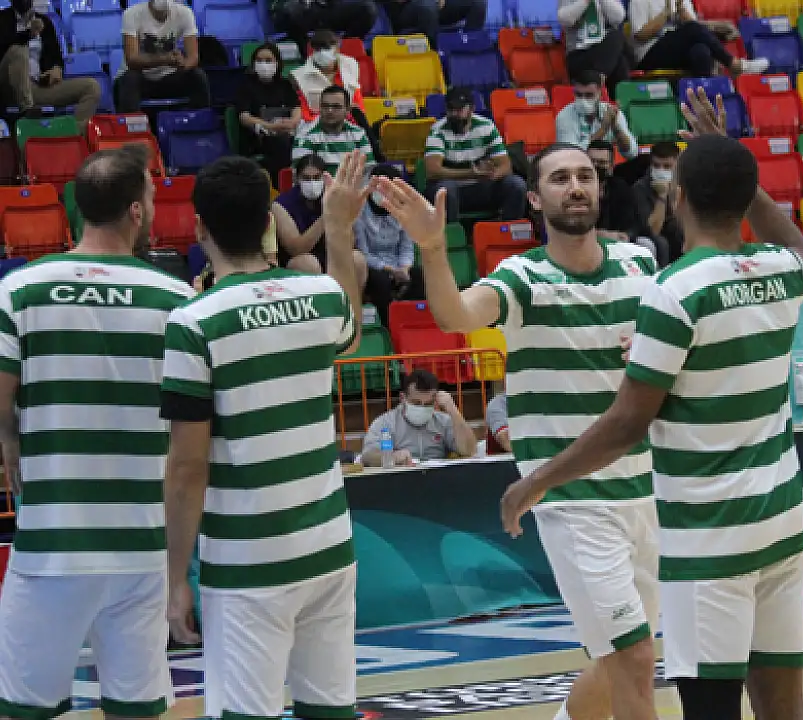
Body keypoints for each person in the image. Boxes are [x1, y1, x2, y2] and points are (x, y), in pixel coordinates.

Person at [498, 90, 803, 720]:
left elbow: (625, 423)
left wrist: (536, 481)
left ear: (679, 198)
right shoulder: (782, 271)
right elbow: (801, 247)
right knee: (784, 706)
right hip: (782, 521)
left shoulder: (674, 290)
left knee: (710, 707)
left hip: (708, 536)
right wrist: (736, 168)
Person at [372, 142, 661, 720]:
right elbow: (455, 316)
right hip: (574, 500)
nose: (575, 187)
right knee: (633, 658)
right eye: (560, 179)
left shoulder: (640, 265)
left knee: (618, 662)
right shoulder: (522, 278)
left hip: (649, 491)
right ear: (533, 198)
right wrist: (432, 246)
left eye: (585, 176)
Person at [160, 152, 368, 720]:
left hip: (248, 560)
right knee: (331, 711)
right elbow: (350, 330)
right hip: (329, 546)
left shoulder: (195, 322)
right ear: (269, 223)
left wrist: (174, 578)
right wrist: (339, 229)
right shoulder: (321, 297)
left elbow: (187, 467)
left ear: (199, 228)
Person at [0, 144, 194, 720]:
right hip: (142, 542)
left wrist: (11, 437)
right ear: (136, 211)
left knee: (25, 708)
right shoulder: (178, 300)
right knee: (136, 708)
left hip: (53, 543)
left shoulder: (19, 289)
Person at [423, 87, 528, 222]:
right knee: (447, 189)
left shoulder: (486, 126)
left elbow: (506, 165)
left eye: (459, 110)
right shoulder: (437, 130)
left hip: (481, 186)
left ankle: (507, 229)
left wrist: (492, 174)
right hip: (453, 189)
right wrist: (470, 173)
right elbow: (432, 171)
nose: (454, 114)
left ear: (471, 109)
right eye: (451, 109)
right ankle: (452, 232)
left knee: (516, 184)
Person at [0, 0, 100, 127]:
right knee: (18, 51)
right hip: (7, 86)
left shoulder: (45, 22)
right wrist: (28, 34)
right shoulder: (2, 19)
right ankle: (27, 109)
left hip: (36, 87)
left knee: (91, 87)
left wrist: (56, 69)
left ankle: (76, 134)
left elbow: (56, 57)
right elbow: (4, 45)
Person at [273, 153, 370, 282]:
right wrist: (327, 215)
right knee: (307, 263)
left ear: (324, 178)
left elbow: (349, 243)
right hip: (300, 259)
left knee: (357, 259)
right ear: (297, 179)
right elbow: (297, 249)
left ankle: (350, 296)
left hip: (329, 254)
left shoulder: (333, 197)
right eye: (306, 178)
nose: (312, 183)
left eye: (316, 177)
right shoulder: (281, 205)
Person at [360, 369, 476, 465]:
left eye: (428, 403)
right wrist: (393, 457)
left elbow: (468, 451)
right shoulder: (386, 423)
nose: (422, 407)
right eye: (416, 403)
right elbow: (368, 457)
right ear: (402, 398)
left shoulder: (443, 421)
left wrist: (453, 410)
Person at [358, 163, 425, 327]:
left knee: (420, 275)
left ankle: (414, 324)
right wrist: (390, 270)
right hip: (373, 268)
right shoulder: (359, 212)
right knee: (380, 281)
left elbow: (407, 247)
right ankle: (388, 327)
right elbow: (363, 254)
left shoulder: (404, 210)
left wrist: (404, 268)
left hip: (398, 266)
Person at [629, 0, 768, 77]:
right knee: (693, 30)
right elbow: (640, 35)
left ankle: (705, 104)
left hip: (677, 49)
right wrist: (665, 14)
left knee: (701, 50)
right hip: (649, 52)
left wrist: (682, 12)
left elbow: (695, 27)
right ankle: (734, 64)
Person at [116, 0, 209, 113]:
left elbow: (193, 57)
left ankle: (199, 120)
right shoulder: (131, 14)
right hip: (141, 77)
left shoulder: (185, 13)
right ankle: (132, 123)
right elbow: (132, 60)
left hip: (169, 76)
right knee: (129, 79)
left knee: (197, 76)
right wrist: (164, 59)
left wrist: (183, 64)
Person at [235, 42, 302, 183]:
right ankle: (281, 184)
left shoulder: (285, 84)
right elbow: (244, 117)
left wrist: (292, 122)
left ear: (277, 63)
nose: (263, 64)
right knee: (281, 143)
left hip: (287, 130)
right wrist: (270, 126)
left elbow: (296, 108)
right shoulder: (246, 86)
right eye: (259, 60)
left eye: (268, 60)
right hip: (259, 136)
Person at [587, 140, 657, 259]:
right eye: (592, 162)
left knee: (646, 244)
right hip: (586, 240)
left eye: (602, 162)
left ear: (611, 166)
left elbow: (634, 221)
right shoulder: (577, 189)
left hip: (617, 239)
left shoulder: (620, 187)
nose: (596, 166)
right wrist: (598, 234)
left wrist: (626, 235)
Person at [293, 85, 376, 173]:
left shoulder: (359, 133)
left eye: (336, 106)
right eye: (325, 106)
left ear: (347, 110)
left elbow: (369, 171)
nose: (330, 111)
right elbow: (303, 177)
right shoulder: (305, 135)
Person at [556, 69, 637, 158]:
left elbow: (632, 153)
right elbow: (570, 156)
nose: (583, 100)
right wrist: (603, 130)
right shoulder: (564, 116)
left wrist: (616, 128)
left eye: (589, 95)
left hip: (605, 163)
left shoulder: (611, 112)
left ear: (600, 94)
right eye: (578, 95)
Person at [291, 31, 365, 123]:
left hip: (350, 123)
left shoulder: (351, 66)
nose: (322, 52)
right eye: (318, 49)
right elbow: (305, 112)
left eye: (327, 48)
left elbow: (357, 104)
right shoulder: (298, 76)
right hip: (315, 126)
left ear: (337, 49)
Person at [560, 0, 629, 98]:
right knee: (619, 52)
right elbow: (565, 20)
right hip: (579, 54)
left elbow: (618, 18)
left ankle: (599, 79)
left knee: (619, 51)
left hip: (605, 52)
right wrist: (585, 2)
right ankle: (617, 98)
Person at [633, 140, 682, 266]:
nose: (661, 170)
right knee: (661, 242)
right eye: (656, 165)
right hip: (651, 237)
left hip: (677, 234)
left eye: (667, 166)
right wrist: (662, 196)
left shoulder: (685, 184)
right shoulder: (640, 188)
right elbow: (653, 230)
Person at [271, 0, 376, 55]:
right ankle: (309, 54)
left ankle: (345, 49)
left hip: (331, 8)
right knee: (289, 11)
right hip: (302, 9)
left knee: (367, 9)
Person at [381, 0, 485, 48]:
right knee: (428, 8)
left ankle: (471, 50)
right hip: (403, 10)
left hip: (435, 4)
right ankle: (436, 58)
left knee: (477, 3)